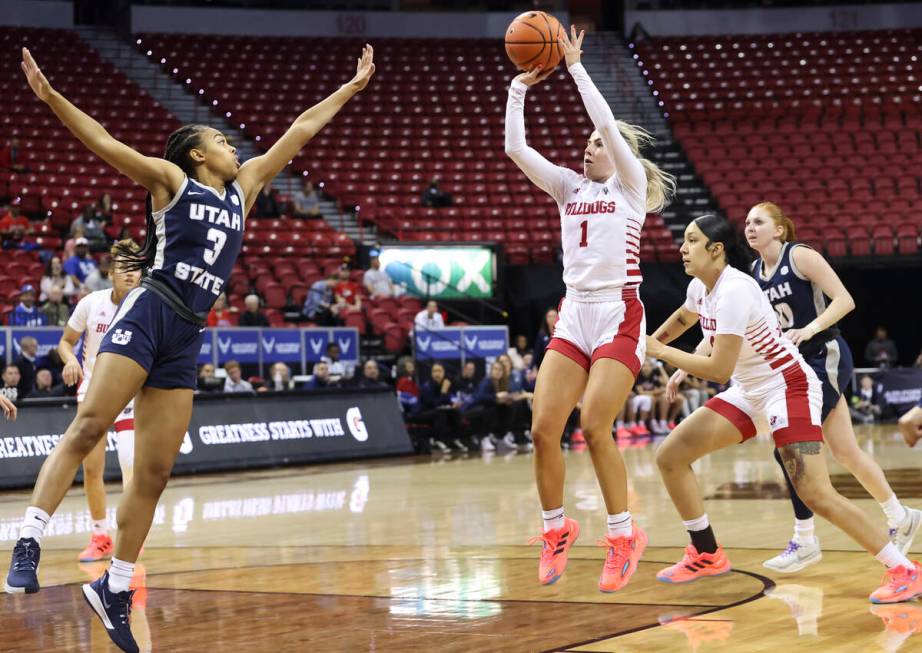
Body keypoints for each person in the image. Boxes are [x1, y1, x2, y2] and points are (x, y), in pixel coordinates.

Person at [5, 44, 375, 653]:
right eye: (223, 142)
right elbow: (102, 140)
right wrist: (49, 98)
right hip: (149, 312)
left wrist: (350, 89)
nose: (236, 147)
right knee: (89, 427)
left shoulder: (245, 187)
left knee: (154, 471)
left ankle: (115, 588)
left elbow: (299, 131)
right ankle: (28, 541)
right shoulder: (172, 181)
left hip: (187, 334)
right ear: (198, 153)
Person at [646, 213, 922, 603]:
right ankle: (706, 551)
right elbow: (683, 318)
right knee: (671, 455)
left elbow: (718, 368)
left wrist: (661, 353)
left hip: (787, 386)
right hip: (749, 390)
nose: (682, 248)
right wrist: (647, 342)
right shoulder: (700, 287)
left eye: (691, 241)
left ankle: (904, 569)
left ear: (716, 249)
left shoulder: (736, 290)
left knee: (814, 491)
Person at [505, 26, 675, 592]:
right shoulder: (567, 188)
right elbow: (515, 148)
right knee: (541, 429)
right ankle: (556, 529)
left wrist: (576, 68)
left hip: (620, 311)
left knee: (596, 425)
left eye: (598, 143)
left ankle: (624, 533)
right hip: (575, 310)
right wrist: (517, 89)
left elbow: (605, 122)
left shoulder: (628, 188)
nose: (589, 146)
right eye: (587, 143)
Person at [745, 201, 920, 571]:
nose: (749, 227)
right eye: (746, 222)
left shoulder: (800, 256)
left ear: (779, 229)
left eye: (758, 221)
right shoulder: (754, 272)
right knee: (845, 451)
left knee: (788, 449)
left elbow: (845, 300)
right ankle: (900, 516)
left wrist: (809, 329)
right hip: (794, 365)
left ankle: (805, 539)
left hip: (824, 355)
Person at [56, 239, 142, 564]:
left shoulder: (147, 307)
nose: (130, 274)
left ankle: (131, 533)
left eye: (136, 267)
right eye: (124, 267)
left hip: (131, 394)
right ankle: (100, 536)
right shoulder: (91, 303)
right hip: (92, 389)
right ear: (110, 271)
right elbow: (66, 342)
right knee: (92, 468)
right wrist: (70, 360)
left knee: (130, 466)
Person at [416, 363, 466, 453]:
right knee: (440, 414)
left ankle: (454, 439)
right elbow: (433, 404)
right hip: (422, 412)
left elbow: (446, 400)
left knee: (454, 412)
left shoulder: (444, 384)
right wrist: (443, 391)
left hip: (435, 411)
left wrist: (453, 404)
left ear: (444, 373)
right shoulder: (426, 387)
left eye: (440, 371)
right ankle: (437, 441)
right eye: (435, 371)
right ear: (431, 374)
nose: (437, 374)